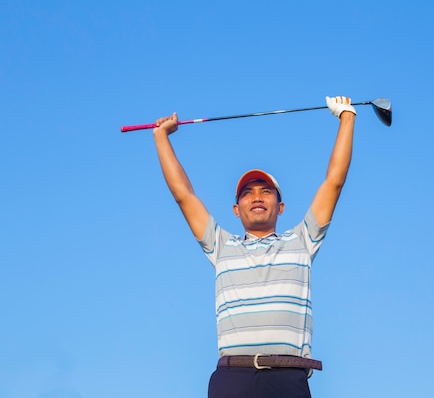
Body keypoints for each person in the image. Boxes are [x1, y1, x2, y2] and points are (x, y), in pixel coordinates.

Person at [152, 96, 357, 398]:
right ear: (236, 209)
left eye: (265, 191)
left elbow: (333, 183)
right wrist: (161, 137)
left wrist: (347, 118)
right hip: (232, 377)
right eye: (247, 193)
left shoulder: (302, 241)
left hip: (288, 377)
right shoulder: (221, 245)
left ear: (281, 206)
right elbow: (184, 194)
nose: (257, 197)